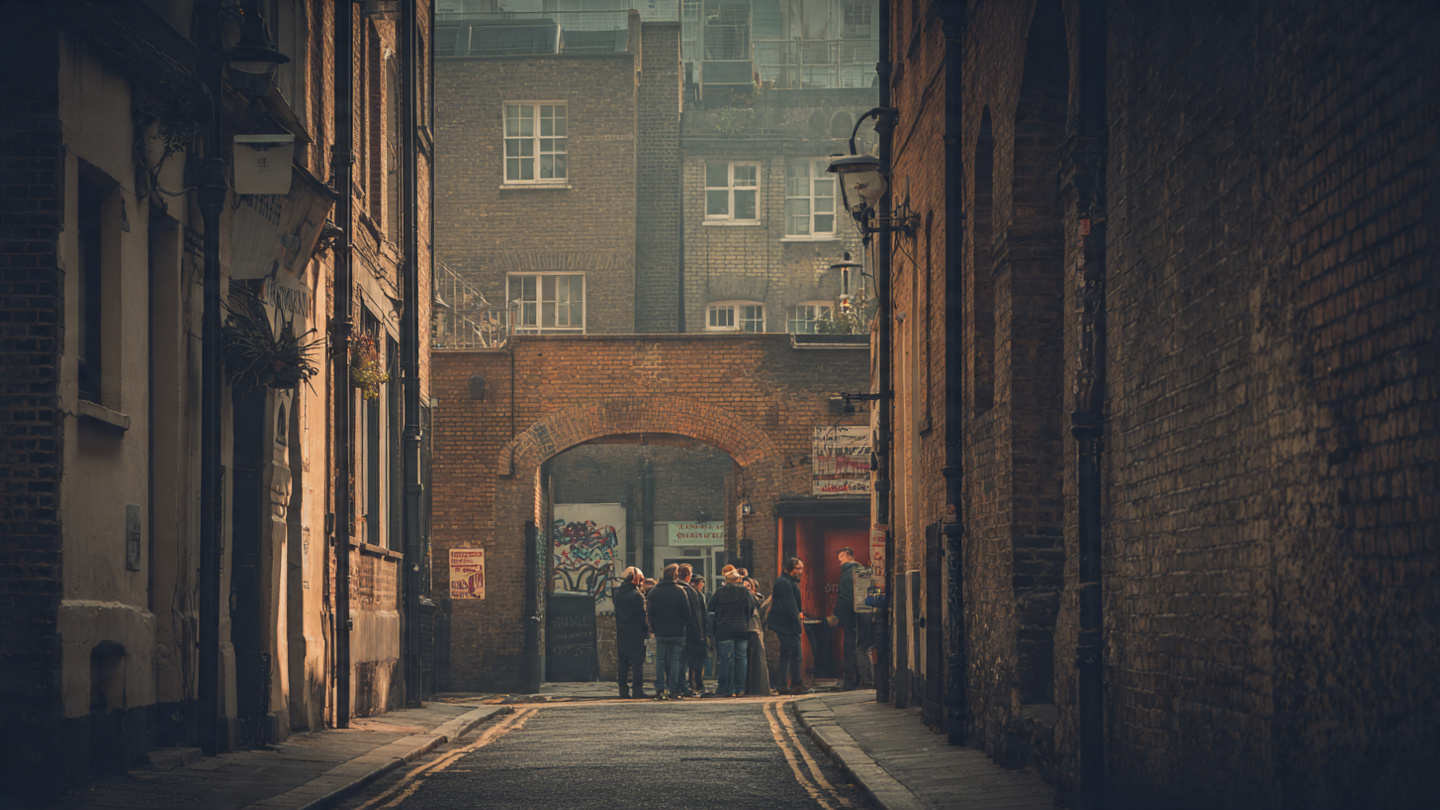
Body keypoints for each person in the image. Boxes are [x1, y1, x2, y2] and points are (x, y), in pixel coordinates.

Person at [646, 564, 692, 700]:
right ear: (675, 576)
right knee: (675, 660)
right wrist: (682, 624)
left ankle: (660, 687)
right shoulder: (680, 591)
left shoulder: (654, 591)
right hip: (677, 632)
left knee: (660, 659)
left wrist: (654, 627)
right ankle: (672, 688)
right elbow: (687, 613)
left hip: (660, 632)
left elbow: (650, 613)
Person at [709, 566, 751, 697]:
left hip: (724, 628)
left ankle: (726, 688)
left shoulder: (720, 591)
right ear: (739, 580)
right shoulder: (745, 592)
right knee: (741, 658)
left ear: (726, 580)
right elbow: (750, 608)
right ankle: (740, 688)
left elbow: (710, 607)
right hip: (741, 628)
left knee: (726, 659)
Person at [767, 557, 806, 694]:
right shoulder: (783, 582)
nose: (801, 571)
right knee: (792, 654)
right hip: (786, 625)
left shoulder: (789, 582)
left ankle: (792, 684)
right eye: (798, 568)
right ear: (789, 569)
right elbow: (790, 605)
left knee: (791, 654)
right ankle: (789, 685)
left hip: (787, 624)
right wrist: (797, 623)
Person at [613, 566, 650, 699]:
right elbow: (641, 616)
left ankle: (623, 690)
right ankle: (637, 690)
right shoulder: (637, 595)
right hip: (636, 632)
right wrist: (646, 632)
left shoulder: (617, 593)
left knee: (623, 661)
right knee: (637, 663)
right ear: (636, 578)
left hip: (622, 631)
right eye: (641, 578)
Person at [677, 564, 707, 697]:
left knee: (679, 660)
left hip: (679, 630)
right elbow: (697, 615)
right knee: (692, 660)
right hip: (693, 632)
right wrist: (701, 633)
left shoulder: (676, 589)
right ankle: (690, 685)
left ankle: (679, 685)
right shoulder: (692, 593)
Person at [834, 547, 860, 690]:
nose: (840, 561)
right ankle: (860, 680)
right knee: (860, 648)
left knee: (850, 648)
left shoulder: (847, 573)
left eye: (842, 556)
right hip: (860, 616)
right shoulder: (860, 570)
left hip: (850, 616)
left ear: (851, 557)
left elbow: (845, 597)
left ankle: (850, 681)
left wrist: (836, 614)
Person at [743, 576, 771, 695]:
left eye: (748, 586)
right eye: (744, 586)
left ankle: (759, 688)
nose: (746, 588)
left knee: (757, 659)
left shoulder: (756, 598)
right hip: (747, 630)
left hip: (754, 630)